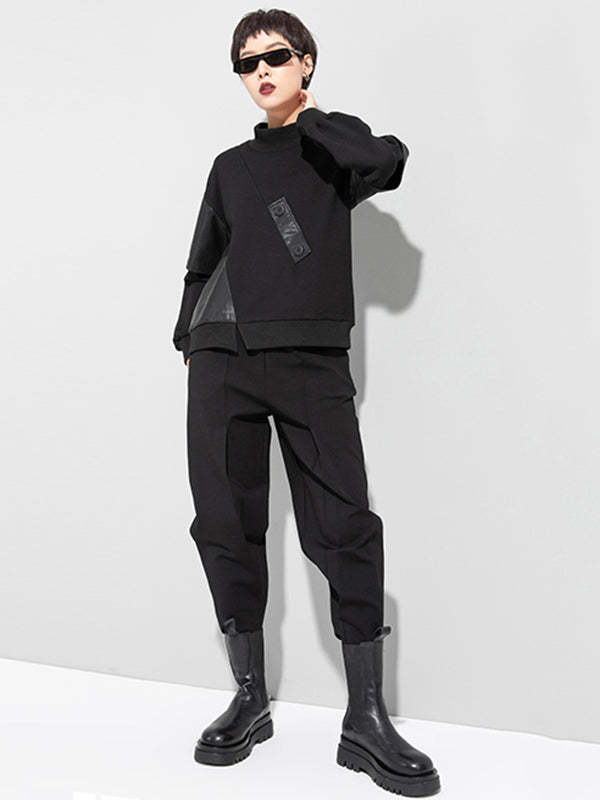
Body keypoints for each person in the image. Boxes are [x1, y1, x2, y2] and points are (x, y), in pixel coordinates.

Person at [172, 8, 441, 796]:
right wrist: (190, 337)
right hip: (222, 360)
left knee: (345, 525)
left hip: (309, 361)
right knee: (224, 524)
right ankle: (249, 698)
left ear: (307, 62)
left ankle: (366, 718)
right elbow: (203, 258)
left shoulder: (332, 146)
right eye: (247, 62)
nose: (262, 72)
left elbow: (387, 160)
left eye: (277, 56)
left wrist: (314, 118)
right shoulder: (229, 166)